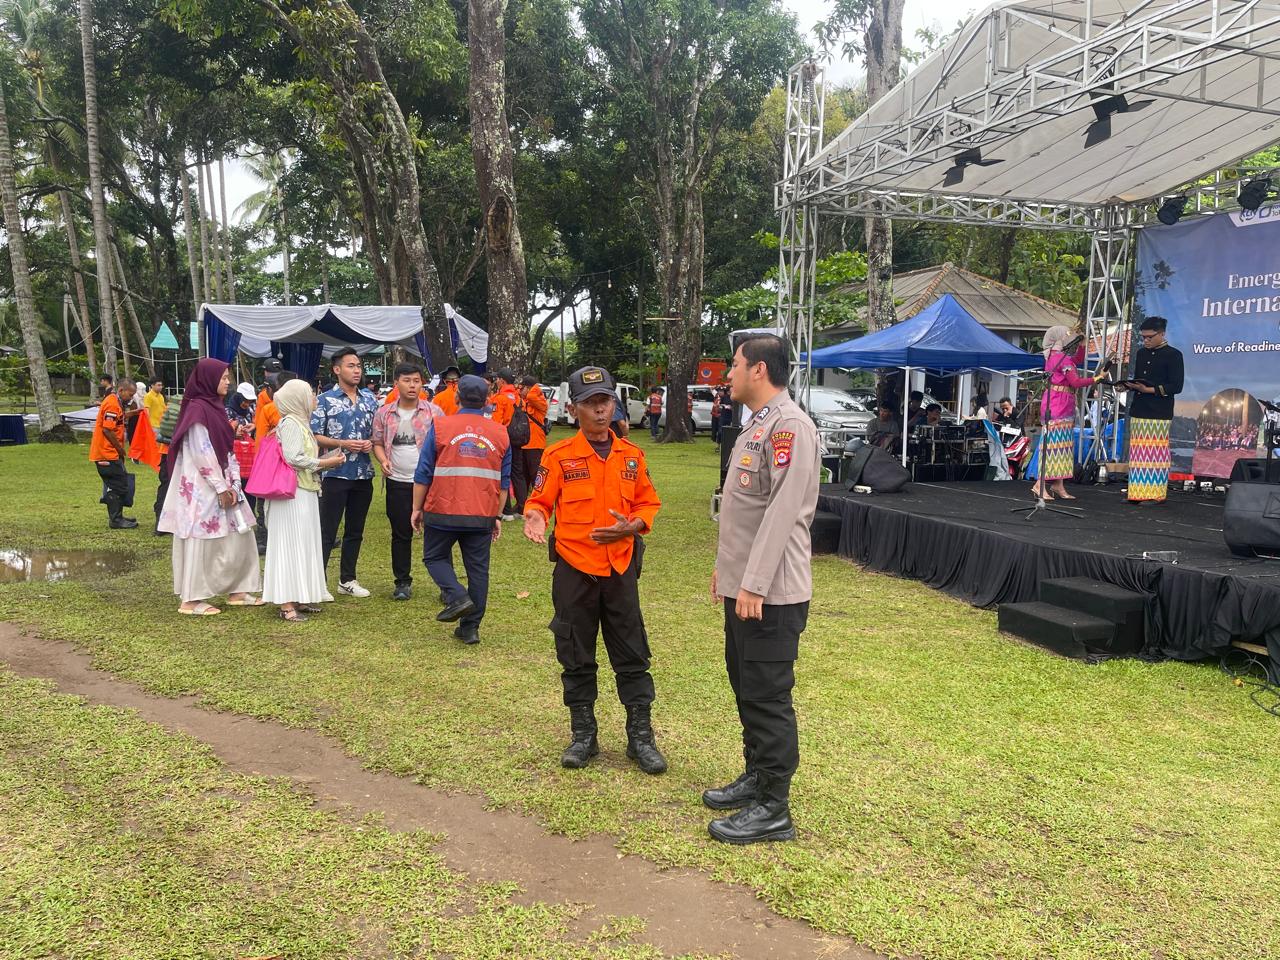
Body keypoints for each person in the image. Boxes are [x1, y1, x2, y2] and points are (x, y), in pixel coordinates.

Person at [523, 366, 666, 774]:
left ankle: (641, 738)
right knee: (575, 653)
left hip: (620, 569)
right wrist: (535, 517)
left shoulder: (632, 456)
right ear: (574, 409)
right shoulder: (558, 456)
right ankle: (584, 735)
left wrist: (633, 526)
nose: (600, 410)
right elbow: (539, 501)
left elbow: (648, 503)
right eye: (590, 403)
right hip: (575, 570)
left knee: (632, 654)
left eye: (605, 401)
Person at [705, 333, 819, 845]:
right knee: (746, 685)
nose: (727, 374)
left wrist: (752, 582)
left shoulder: (790, 426)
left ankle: (775, 807)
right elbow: (742, 512)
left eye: (734, 364)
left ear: (759, 370)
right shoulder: (758, 424)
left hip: (771, 592)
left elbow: (782, 512)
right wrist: (727, 572)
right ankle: (757, 777)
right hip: (746, 587)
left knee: (769, 695)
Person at [156, 359, 263, 615]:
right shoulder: (197, 411)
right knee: (202, 538)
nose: (228, 382)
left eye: (227, 377)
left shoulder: (216, 408)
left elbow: (227, 449)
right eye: (223, 377)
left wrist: (234, 483)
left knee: (240, 534)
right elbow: (201, 453)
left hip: (225, 481)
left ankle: (238, 589)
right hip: (203, 487)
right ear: (209, 379)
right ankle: (191, 600)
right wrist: (220, 487)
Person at [411, 375, 511, 645]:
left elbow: (423, 471)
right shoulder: (500, 432)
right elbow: (504, 481)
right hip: (482, 512)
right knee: (478, 570)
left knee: (434, 557)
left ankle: (456, 596)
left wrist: (416, 508)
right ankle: (470, 628)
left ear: (456, 397)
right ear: (488, 401)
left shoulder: (441, 426)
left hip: (442, 508)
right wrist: (497, 515)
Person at [262, 379, 346, 622]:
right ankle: (287, 603)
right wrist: (324, 462)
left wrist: (325, 462)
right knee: (290, 544)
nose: (315, 399)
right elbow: (293, 458)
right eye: (310, 394)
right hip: (292, 494)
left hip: (304, 491)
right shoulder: (290, 423)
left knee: (303, 543)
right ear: (298, 399)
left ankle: (298, 596)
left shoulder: (301, 423)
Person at [312, 346, 379, 597]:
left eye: (359, 366)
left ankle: (347, 579)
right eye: (351, 366)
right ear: (337, 369)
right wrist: (342, 443)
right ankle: (317, 582)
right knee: (327, 531)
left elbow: (376, 432)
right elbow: (314, 435)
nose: (356, 370)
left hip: (363, 473)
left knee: (355, 530)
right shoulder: (324, 400)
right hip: (335, 472)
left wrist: (370, 442)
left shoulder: (369, 399)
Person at [372, 362, 443, 601]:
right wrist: (383, 460)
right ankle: (402, 581)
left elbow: (444, 445)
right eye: (407, 380)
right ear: (396, 384)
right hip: (397, 482)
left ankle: (446, 585)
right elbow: (377, 442)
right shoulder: (384, 413)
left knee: (438, 533)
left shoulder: (434, 412)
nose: (412, 385)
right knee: (401, 533)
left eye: (416, 381)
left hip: (429, 482)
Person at [1119, 315, 1184, 505]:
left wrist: (1149, 390)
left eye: (1150, 337)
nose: (1146, 341)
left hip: (1159, 411)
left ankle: (1156, 494)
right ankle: (1137, 492)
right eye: (1143, 337)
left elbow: (1176, 386)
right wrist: (1128, 386)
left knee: (1155, 453)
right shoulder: (1141, 353)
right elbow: (1140, 379)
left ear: (1162, 334)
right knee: (1138, 453)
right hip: (1140, 408)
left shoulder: (1173, 355)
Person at [1034, 325, 1099, 501]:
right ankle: (1040, 484)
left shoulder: (1056, 356)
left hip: (1060, 403)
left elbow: (1076, 359)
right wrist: (1096, 378)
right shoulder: (1061, 359)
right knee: (1053, 447)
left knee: (1062, 447)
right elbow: (1076, 382)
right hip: (1058, 405)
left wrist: (1083, 345)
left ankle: (1058, 484)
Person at [89, 378, 138, 529]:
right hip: (106, 452)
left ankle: (118, 516)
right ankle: (115, 520)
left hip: (110, 452)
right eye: (130, 395)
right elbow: (107, 429)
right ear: (121, 390)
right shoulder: (112, 404)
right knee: (118, 485)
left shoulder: (115, 401)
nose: (131, 398)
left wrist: (133, 413)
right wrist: (120, 449)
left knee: (120, 483)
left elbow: (117, 419)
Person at [512, 375, 549, 516]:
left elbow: (532, 396)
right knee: (522, 477)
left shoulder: (539, 400)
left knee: (535, 477)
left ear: (529, 388)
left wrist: (532, 387)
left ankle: (539, 504)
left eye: (523, 388)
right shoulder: (524, 401)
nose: (520, 390)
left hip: (535, 445)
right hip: (523, 444)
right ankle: (521, 505)